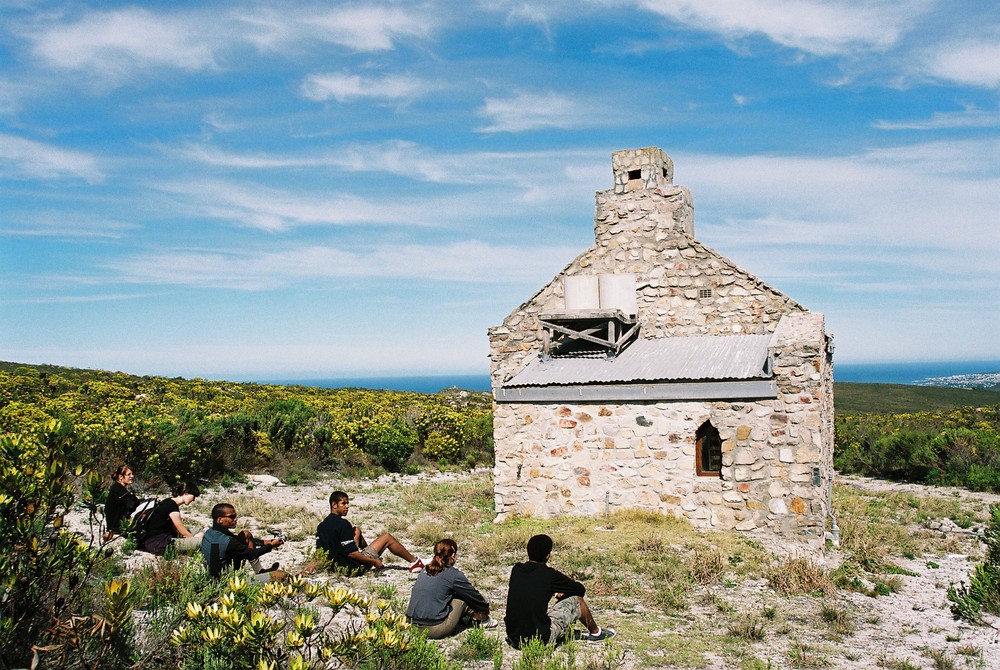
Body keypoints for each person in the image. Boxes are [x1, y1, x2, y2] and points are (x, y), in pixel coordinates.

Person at [504, 534, 615, 648]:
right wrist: (561, 592)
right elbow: (579, 590)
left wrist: (553, 591)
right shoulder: (549, 574)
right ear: (547, 556)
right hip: (538, 640)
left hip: (514, 638)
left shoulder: (516, 570)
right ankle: (596, 633)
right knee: (577, 601)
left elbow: (532, 586)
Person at [316, 490, 424, 574]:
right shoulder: (343, 524)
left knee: (356, 530)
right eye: (344, 503)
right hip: (353, 569)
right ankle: (414, 561)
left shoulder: (322, 526)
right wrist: (373, 562)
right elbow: (351, 553)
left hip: (335, 567)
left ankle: (369, 551)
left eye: (348, 503)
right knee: (387, 537)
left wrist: (307, 570)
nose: (347, 506)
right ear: (334, 505)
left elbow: (320, 553)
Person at [406, 539, 496, 639]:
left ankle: (468, 617)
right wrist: (484, 607)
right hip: (433, 629)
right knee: (462, 599)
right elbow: (472, 595)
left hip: (410, 625)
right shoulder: (454, 575)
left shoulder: (425, 569)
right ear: (453, 556)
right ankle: (482, 619)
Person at [201, 503, 289, 583]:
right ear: (220, 520)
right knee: (281, 575)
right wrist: (271, 545)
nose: (235, 519)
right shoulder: (228, 542)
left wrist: (265, 542)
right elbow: (251, 554)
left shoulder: (210, 533)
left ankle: (259, 571)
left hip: (213, 579)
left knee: (245, 534)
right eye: (232, 517)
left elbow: (235, 542)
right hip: (228, 584)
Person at [139, 480, 204, 556]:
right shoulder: (172, 508)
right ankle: (193, 548)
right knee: (201, 542)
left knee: (199, 530)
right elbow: (184, 533)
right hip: (160, 544)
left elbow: (176, 530)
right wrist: (194, 540)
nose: (193, 500)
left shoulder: (168, 501)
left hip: (156, 540)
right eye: (193, 496)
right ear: (186, 493)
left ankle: (191, 546)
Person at [104, 464, 140, 540]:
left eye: (132, 474)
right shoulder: (118, 490)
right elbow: (132, 504)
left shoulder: (117, 488)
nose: (132, 476)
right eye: (129, 474)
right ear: (121, 477)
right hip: (116, 529)